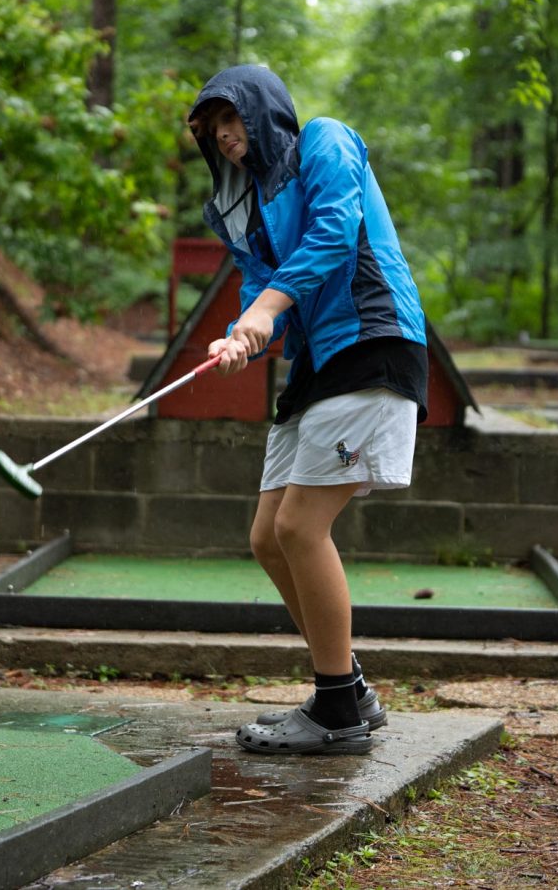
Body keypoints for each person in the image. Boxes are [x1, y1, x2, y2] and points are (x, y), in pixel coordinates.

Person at [188, 65, 431, 755]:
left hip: (371, 339)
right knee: (269, 536)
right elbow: (261, 287)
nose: (225, 136)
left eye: (232, 117)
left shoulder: (325, 140)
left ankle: (335, 712)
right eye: (213, 129)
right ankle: (348, 687)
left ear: (262, 110)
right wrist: (241, 338)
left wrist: (266, 308)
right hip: (315, 364)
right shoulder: (244, 204)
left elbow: (335, 231)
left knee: (300, 525)